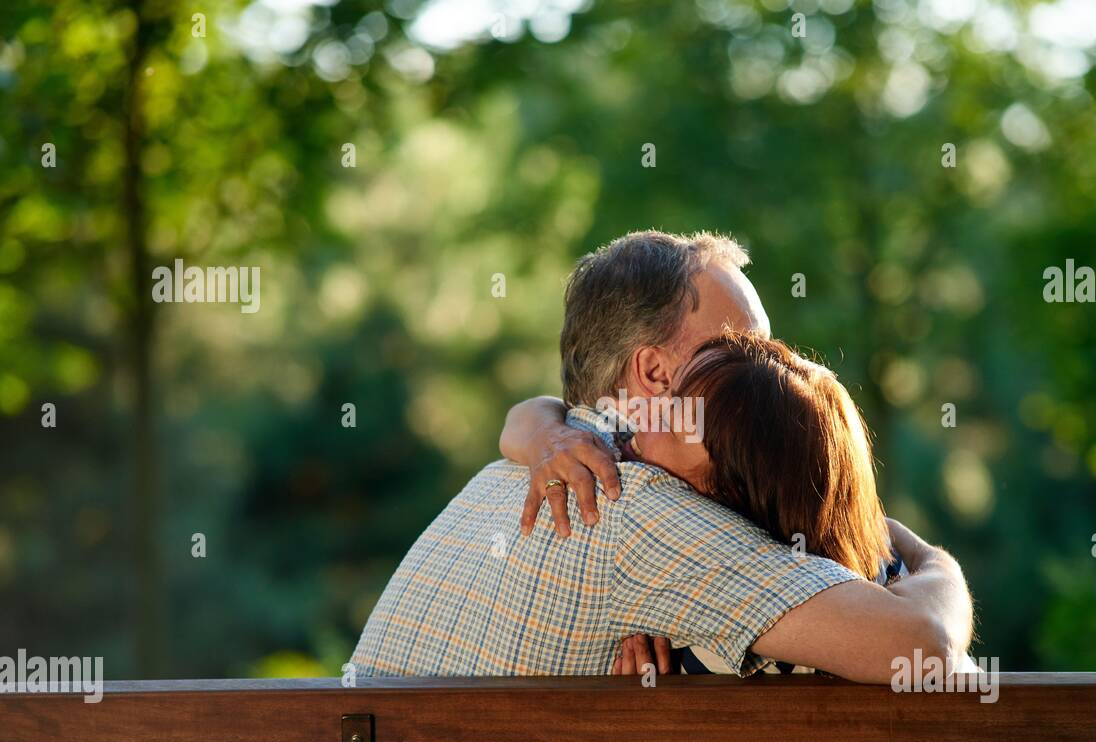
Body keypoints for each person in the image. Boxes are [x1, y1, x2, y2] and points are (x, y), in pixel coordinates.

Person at [350, 229, 972, 684]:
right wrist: (926, 555)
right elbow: (925, 649)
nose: (770, 369)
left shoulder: (510, 472)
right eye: (738, 348)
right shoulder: (638, 506)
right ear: (654, 372)